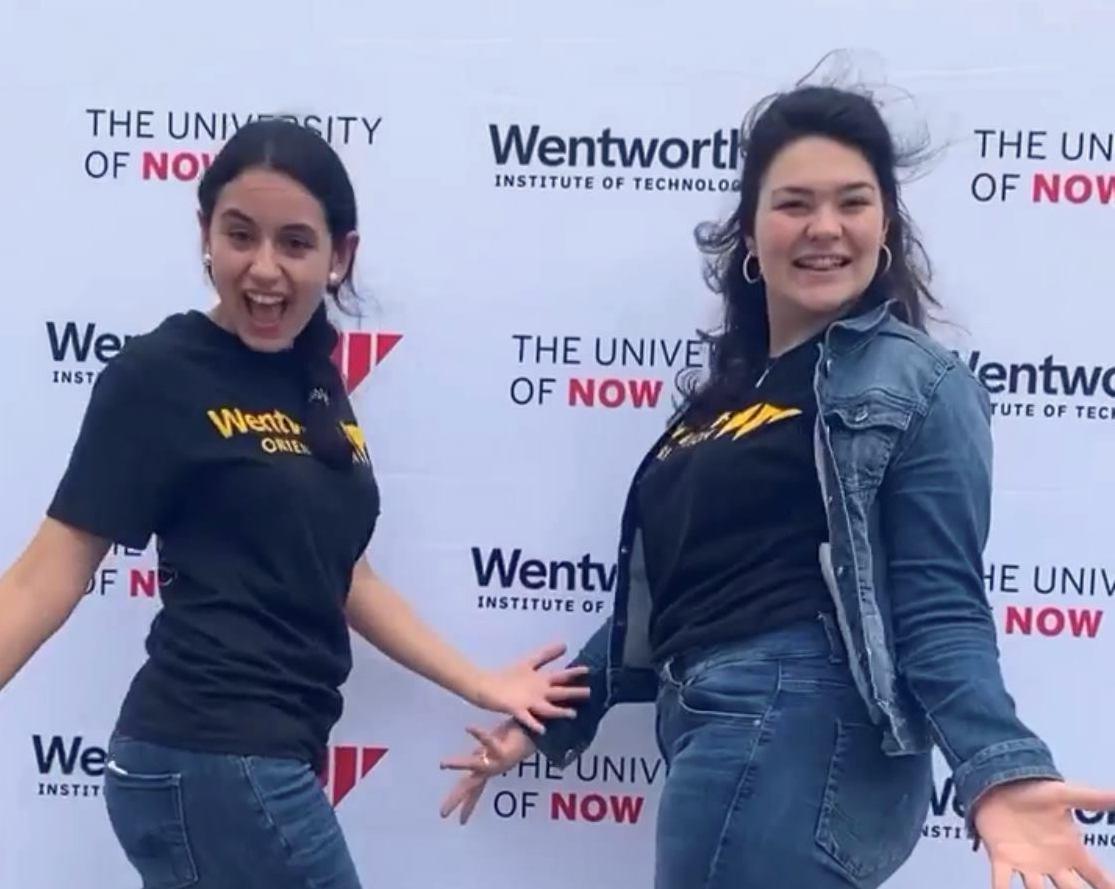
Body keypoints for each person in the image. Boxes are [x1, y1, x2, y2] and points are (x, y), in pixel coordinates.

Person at [439, 83, 1115, 889]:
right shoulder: (722, 402)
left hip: (794, 722)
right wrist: (549, 716)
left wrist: (995, 768)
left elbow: (938, 602)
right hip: (715, 729)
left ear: (884, 229)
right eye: (793, 203)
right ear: (751, 239)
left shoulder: (915, 379)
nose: (823, 227)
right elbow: (671, 603)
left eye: (850, 203)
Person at [0, 118, 587, 889]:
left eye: (296, 243)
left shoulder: (314, 377)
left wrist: (479, 682)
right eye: (240, 235)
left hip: (256, 759)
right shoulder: (158, 374)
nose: (264, 269)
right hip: (208, 752)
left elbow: (346, 576)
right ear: (205, 231)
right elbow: (46, 575)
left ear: (340, 254)